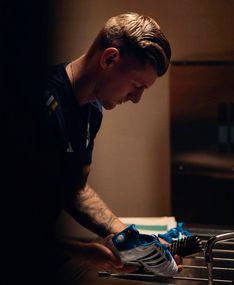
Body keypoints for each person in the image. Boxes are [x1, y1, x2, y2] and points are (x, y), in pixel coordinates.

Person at [9, 11, 181, 284]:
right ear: (109, 58)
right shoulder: (38, 105)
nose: (136, 99)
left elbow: (73, 187)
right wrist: (80, 252)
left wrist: (130, 237)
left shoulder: (92, 112)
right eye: (137, 86)